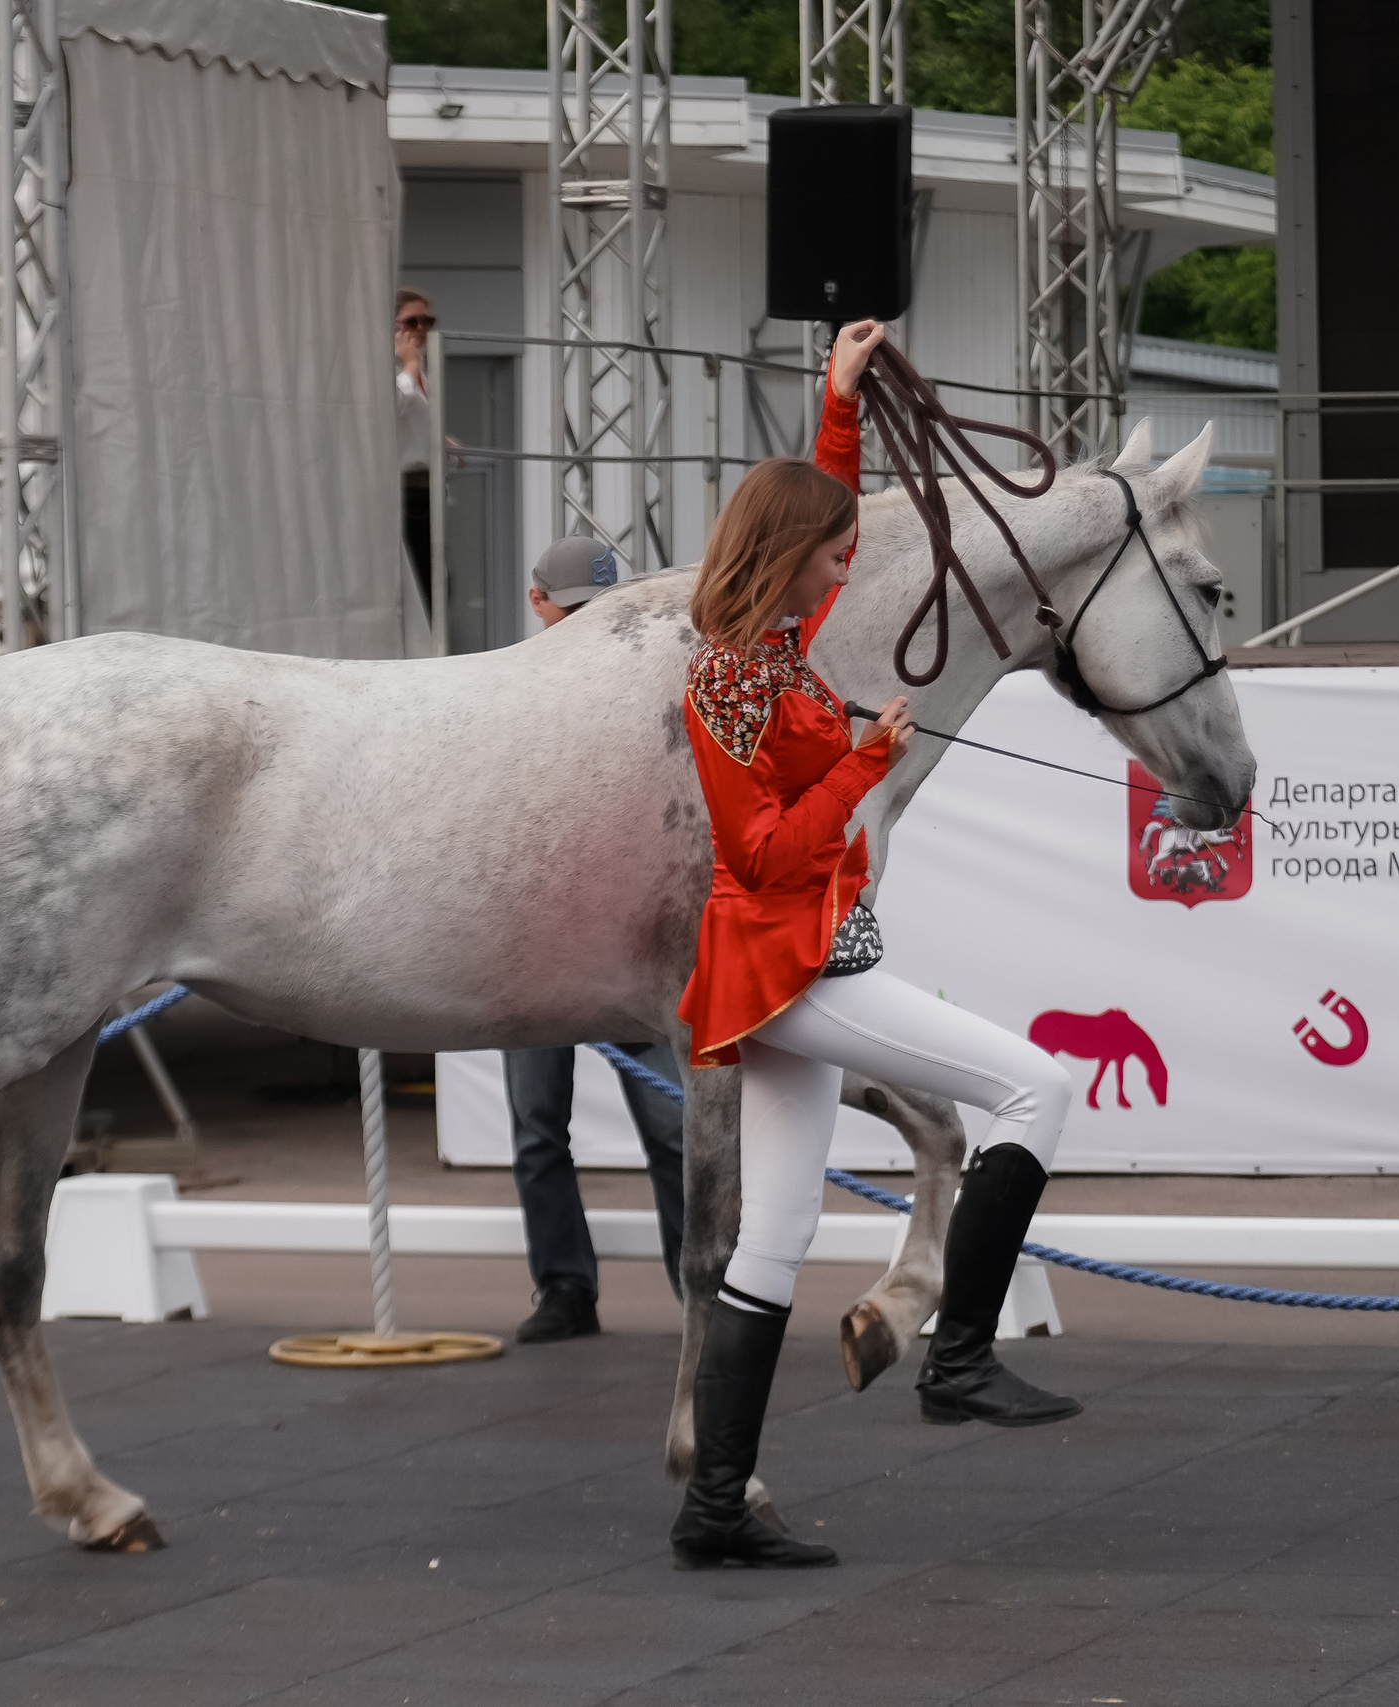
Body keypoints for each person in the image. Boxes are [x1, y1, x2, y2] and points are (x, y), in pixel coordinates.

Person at [666, 320, 1081, 1572]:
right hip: (798, 966)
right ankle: (959, 1358)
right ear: (789, 559)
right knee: (1034, 1087)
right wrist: (864, 761)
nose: (847, 564)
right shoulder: (733, 681)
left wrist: (837, 404)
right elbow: (763, 857)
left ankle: (714, 1506)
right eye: (832, 550)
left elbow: (822, 510)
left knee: (770, 1241)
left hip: (794, 967)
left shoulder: (779, 646)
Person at [505, 537, 687, 1344]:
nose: (585, 627)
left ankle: (701, 1289)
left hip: (625, 950)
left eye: (598, 612)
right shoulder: (502, 693)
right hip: (538, 949)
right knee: (538, 1125)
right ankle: (564, 1287)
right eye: (575, 610)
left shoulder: (651, 692)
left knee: (674, 1126)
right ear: (539, 604)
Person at [394, 289, 440, 611]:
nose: (421, 328)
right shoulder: (400, 370)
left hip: (428, 489)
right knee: (419, 583)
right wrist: (408, 367)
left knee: (436, 584)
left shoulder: (421, 370)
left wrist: (441, 439)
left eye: (427, 320)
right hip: (402, 491)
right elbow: (392, 409)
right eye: (411, 321)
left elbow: (413, 420)